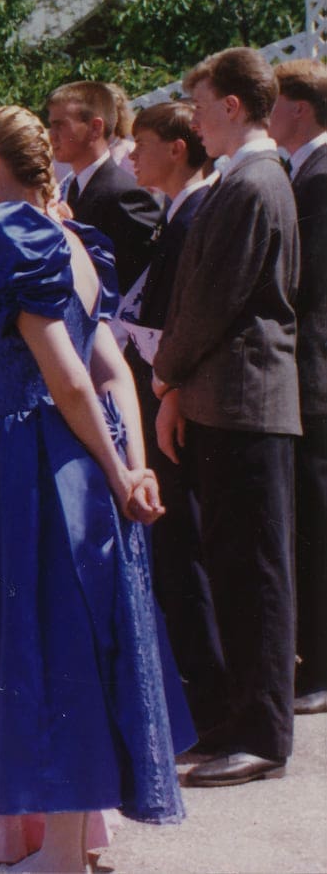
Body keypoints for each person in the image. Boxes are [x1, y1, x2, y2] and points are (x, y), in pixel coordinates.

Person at [0, 107, 190, 870]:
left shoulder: (12, 231)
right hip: (78, 461)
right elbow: (112, 371)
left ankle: (59, 854)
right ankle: (65, 849)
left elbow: (68, 372)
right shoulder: (73, 239)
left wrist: (119, 469)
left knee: (42, 645)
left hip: (32, 461)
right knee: (71, 645)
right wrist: (130, 465)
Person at [155, 48, 301, 787]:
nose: (196, 122)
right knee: (237, 568)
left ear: (234, 107)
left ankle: (261, 732)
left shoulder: (251, 182)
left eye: (204, 107)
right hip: (226, 398)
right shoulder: (239, 179)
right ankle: (238, 721)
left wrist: (163, 372)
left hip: (246, 402)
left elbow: (212, 297)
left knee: (254, 575)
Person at [119, 101, 217, 720]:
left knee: (185, 545)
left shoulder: (198, 208)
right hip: (158, 384)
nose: (132, 157)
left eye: (143, 144)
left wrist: (166, 385)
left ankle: (209, 693)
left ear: (176, 148)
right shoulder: (175, 210)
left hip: (172, 393)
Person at [272, 58, 327, 717]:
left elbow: (307, 283)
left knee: (314, 525)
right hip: (304, 371)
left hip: (312, 373)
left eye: (277, 102)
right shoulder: (304, 172)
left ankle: (319, 662)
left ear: (301, 109)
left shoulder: (319, 177)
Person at [46, 80, 161, 290]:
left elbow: (138, 283)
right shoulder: (69, 187)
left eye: (60, 125)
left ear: (95, 128)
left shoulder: (126, 195)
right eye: (51, 124)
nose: (51, 135)